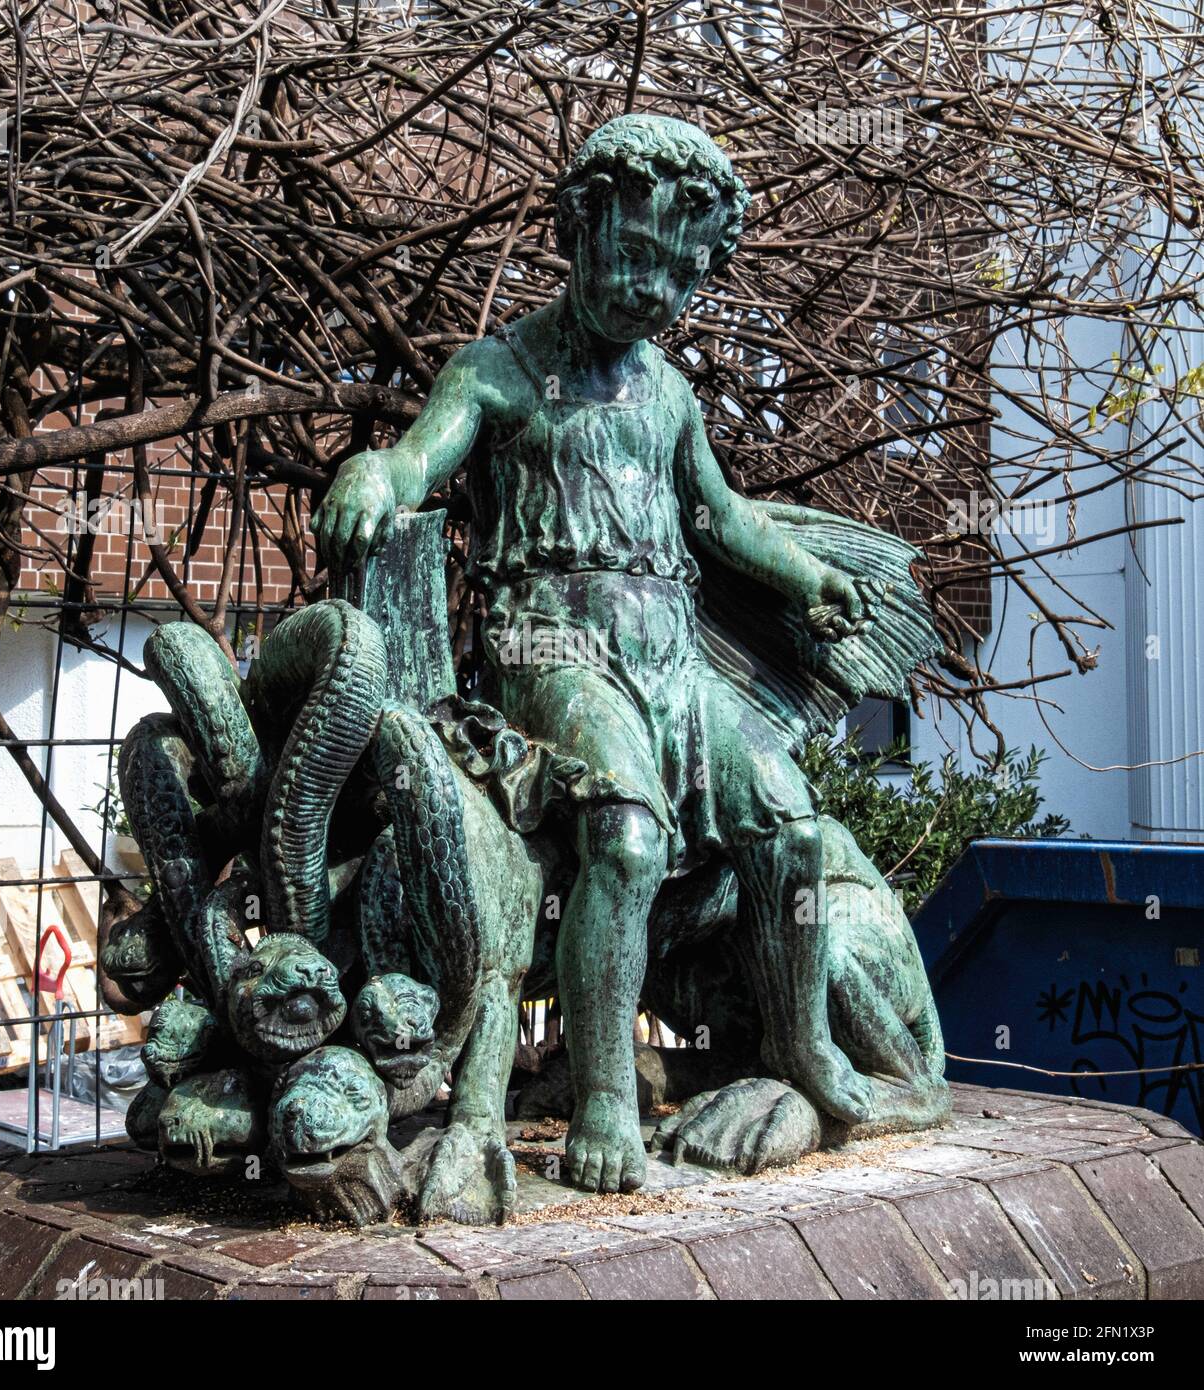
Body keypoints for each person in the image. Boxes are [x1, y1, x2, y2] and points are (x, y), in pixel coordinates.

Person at [313, 115, 875, 1194]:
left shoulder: (669, 395)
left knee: (789, 820)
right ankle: (605, 1094)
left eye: (679, 274)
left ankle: (802, 1056)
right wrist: (374, 479)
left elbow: (717, 519)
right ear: (577, 232)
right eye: (629, 258)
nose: (650, 290)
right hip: (548, 650)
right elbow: (418, 459)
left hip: (671, 659)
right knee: (620, 836)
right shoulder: (498, 371)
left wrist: (804, 576)